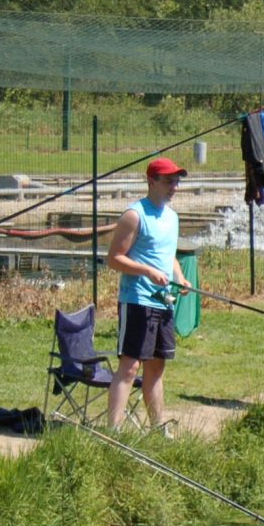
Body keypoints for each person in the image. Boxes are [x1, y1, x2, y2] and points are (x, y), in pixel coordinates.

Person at [106, 158, 193, 431]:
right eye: (169, 181)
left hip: (164, 302)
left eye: (177, 181)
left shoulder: (172, 216)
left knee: (156, 369)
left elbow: (168, 257)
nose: (174, 187)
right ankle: (114, 430)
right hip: (137, 300)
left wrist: (180, 277)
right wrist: (146, 271)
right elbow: (114, 258)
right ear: (152, 181)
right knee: (130, 367)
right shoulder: (134, 215)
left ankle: (158, 428)